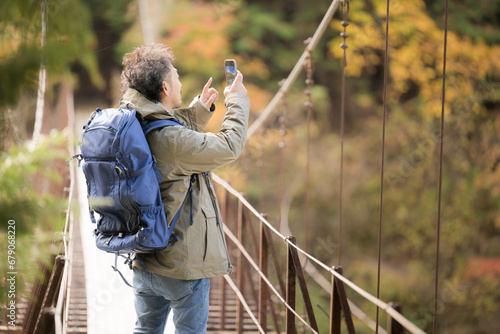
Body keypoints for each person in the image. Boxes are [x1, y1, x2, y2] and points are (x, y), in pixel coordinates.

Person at [119, 43, 250, 334]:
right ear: (165, 86)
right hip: (182, 266)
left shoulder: (133, 121)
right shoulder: (173, 139)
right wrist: (237, 101)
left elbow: (169, 134)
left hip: (144, 256)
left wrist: (199, 110)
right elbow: (229, 146)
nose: (180, 83)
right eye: (177, 78)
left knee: (145, 329)